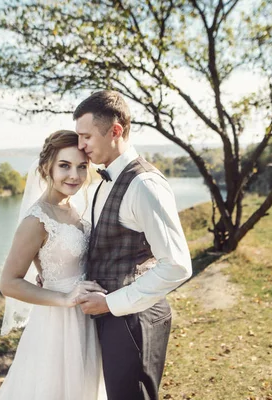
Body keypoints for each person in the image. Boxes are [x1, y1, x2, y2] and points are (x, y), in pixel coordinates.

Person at [73, 90, 192, 400]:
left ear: (115, 131)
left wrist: (110, 304)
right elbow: (103, 245)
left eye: (86, 136)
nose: (80, 146)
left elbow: (177, 265)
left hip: (134, 322)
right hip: (112, 319)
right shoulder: (104, 179)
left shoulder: (144, 185)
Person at [0, 130, 107, 399]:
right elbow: (9, 283)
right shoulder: (36, 220)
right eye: (65, 166)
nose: (75, 176)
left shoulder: (76, 208)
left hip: (89, 316)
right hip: (58, 323)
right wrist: (65, 297)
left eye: (82, 167)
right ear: (47, 167)